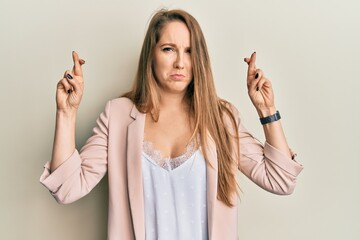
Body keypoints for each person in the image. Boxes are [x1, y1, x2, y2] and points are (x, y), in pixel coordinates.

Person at [40, 8, 303, 240]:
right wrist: (67, 113)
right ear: (151, 55)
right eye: (169, 49)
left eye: (189, 51)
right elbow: (67, 189)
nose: (180, 62)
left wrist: (267, 110)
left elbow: (281, 180)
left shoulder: (221, 117)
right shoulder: (118, 115)